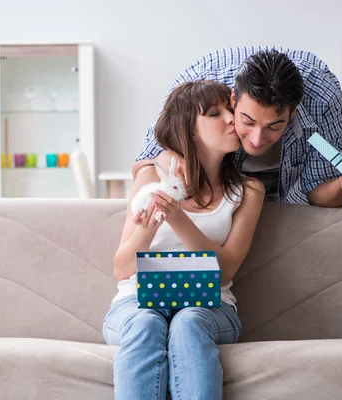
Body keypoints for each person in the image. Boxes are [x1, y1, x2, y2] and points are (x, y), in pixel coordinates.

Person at [103, 80, 265, 400]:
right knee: (145, 323)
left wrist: (178, 218)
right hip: (136, 303)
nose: (233, 119)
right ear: (191, 130)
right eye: (217, 113)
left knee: (188, 322)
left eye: (231, 110)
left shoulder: (248, 191)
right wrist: (152, 222)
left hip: (210, 307)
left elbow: (227, 270)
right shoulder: (151, 177)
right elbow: (122, 268)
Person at [134, 46, 342, 209]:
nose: (256, 139)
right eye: (248, 122)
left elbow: (315, 190)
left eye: (274, 126)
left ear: (292, 112)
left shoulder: (324, 101)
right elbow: (145, 164)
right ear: (233, 100)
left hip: (287, 199)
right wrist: (172, 161)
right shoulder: (201, 86)